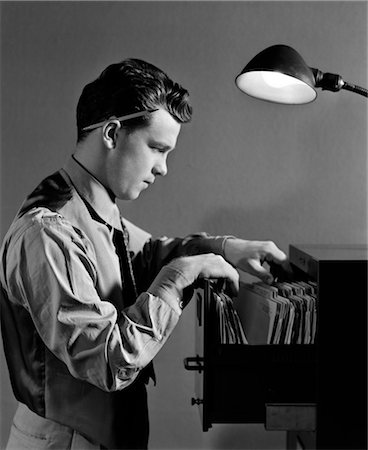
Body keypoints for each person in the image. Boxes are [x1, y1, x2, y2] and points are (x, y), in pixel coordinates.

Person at [0, 58, 288, 450]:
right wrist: (180, 277)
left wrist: (224, 247)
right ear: (113, 133)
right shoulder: (48, 232)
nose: (163, 168)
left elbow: (147, 254)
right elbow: (106, 360)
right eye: (156, 148)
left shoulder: (94, 208)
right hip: (64, 442)